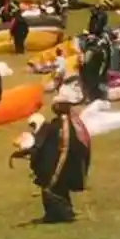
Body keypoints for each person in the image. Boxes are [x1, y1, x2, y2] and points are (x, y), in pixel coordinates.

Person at [27, 84, 91, 223]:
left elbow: (64, 147)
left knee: (51, 185)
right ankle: (63, 211)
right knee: (58, 187)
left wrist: (52, 169)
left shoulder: (65, 125)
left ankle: (58, 215)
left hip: (64, 163)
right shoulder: (71, 122)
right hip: (69, 162)